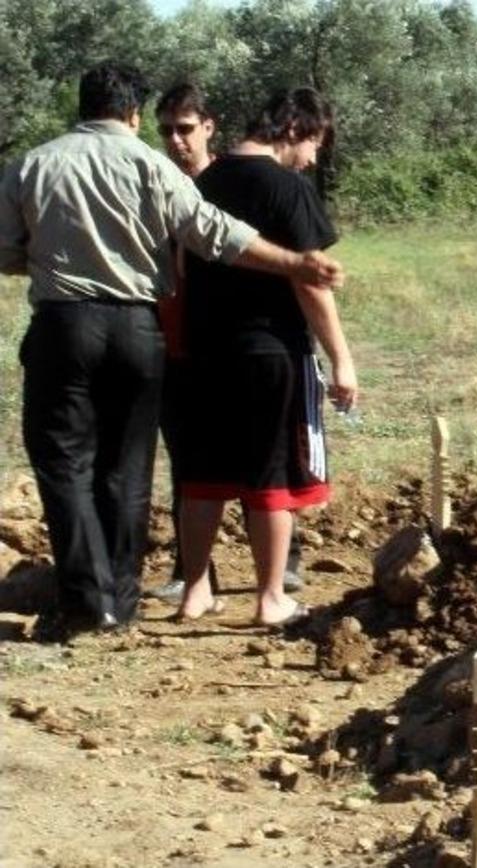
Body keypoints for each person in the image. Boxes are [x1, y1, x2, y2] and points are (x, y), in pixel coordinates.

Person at [0, 62, 345, 641]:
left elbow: (5, 250)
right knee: (129, 468)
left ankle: (88, 598)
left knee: (66, 464)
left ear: (81, 108)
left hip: (64, 325)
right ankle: (125, 598)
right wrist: (293, 262)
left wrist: (44, 255)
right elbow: (213, 233)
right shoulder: (154, 167)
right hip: (139, 329)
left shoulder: (33, 164)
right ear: (134, 114)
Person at [174, 87, 357, 627]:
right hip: (271, 349)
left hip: (205, 348)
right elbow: (311, 282)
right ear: (296, 129)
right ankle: (271, 597)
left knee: (202, 474)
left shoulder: (205, 180)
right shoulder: (288, 188)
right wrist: (342, 359)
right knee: (272, 476)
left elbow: (182, 268)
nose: (313, 159)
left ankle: (194, 591)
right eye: (315, 144)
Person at [145, 82, 307, 604]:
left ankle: (286, 563)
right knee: (194, 462)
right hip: (185, 344)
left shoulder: (229, 182)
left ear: (209, 127)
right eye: (166, 129)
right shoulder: (158, 185)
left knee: (267, 456)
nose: (175, 140)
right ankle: (193, 573)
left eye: (184, 128)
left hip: (243, 341)